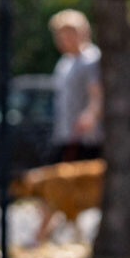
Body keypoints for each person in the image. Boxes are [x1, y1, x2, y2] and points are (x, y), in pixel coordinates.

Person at [49, 10, 102, 162]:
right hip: (66, 135)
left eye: (69, 33)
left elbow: (97, 95)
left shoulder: (92, 59)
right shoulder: (64, 62)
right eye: (59, 34)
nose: (63, 39)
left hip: (88, 140)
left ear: (83, 32)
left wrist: (90, 116)